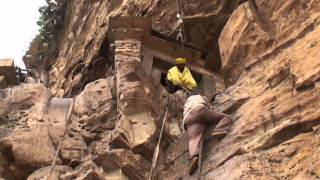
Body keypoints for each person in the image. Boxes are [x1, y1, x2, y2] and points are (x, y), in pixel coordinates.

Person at [183, 94, 233, 175]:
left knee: (194, 138)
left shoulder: (186, 104)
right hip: (198, 110)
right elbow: (208, 107)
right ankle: (220, 129)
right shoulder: (201, 97)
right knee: (225, 117)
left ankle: (194, 157)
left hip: (188, 120)